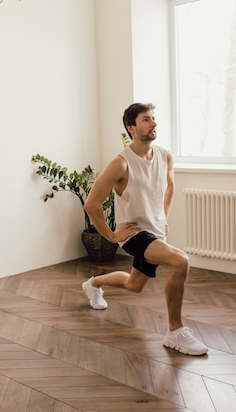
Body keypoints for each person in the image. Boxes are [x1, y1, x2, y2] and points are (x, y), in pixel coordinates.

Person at [82, 102, 208, 356]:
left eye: (153, 118)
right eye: (145, 119)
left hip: (155, 230)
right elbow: (91, 204)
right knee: (180, 261)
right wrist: (112, 236)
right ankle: (175, 332)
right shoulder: (121, 164)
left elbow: (170, 186)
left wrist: (163, 216)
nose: (153, 123)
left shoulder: (164, 155)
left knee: (134, 284)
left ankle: (93, 284)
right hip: (134, 234)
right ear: (131, 127)